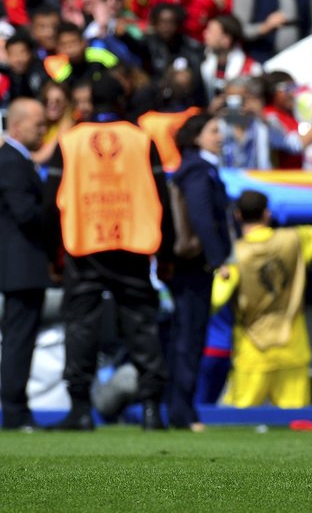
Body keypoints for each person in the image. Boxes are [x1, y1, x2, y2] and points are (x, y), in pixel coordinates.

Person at [49, 75, 173, 431]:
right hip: (132, 245)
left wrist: (51, 253)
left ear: (88, 102)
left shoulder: (70, 140)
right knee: (141, 327)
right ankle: (151, 410)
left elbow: (49, 201)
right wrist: (166, 254)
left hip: (83, 245)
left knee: (81, 328)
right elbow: (161, 196)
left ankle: (81, 409)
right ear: (122, 100)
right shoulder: (141, 139)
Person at [212, 190, 312, 408]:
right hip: (293, 348)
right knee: (296, 425)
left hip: (252, 352)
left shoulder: (235, 254)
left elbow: (216, 299)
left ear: (238, 216)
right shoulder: (295, 239)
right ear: (267, 214)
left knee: (238, 426)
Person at [168, 114, 233, 430]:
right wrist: (218, 257)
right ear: (196, 137)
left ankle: (182, 408)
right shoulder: (198, 169)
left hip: (192, 265)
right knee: (189, 337)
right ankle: (182, 411)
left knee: (189, 335)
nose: (220, 136)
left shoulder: (198, 167)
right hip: (195, 265)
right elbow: (202, 216)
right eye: (213, 131)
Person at [0, 98, 50, 430]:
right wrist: (56, 212)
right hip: (20, 266)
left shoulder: (17, 160)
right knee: (19, 342)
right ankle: (16, 413)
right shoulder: (11, 162)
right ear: (17, 126)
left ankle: (19, 410)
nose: (44, 130)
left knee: (20, 341)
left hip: (23, 265)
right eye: (38, 125)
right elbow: (25, 213)